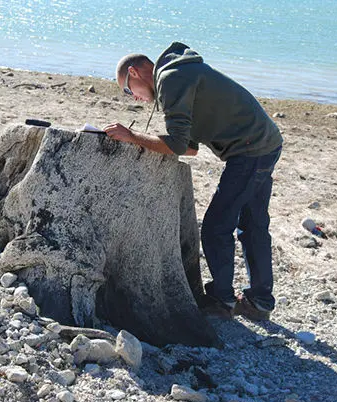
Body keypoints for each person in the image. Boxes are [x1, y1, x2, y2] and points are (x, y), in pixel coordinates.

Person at [103, 42, 283, 321]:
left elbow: (176, 145)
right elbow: (190, 148)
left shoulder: (171, 79)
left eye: (128, 90)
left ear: (134, 72)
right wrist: (145, 140)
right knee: (253, 224)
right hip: (263, 142)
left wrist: (133, 137)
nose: (133, 98)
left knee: (215, 227)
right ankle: (259, 302)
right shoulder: (177, 76)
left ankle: (222, 301)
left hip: (250, 149)